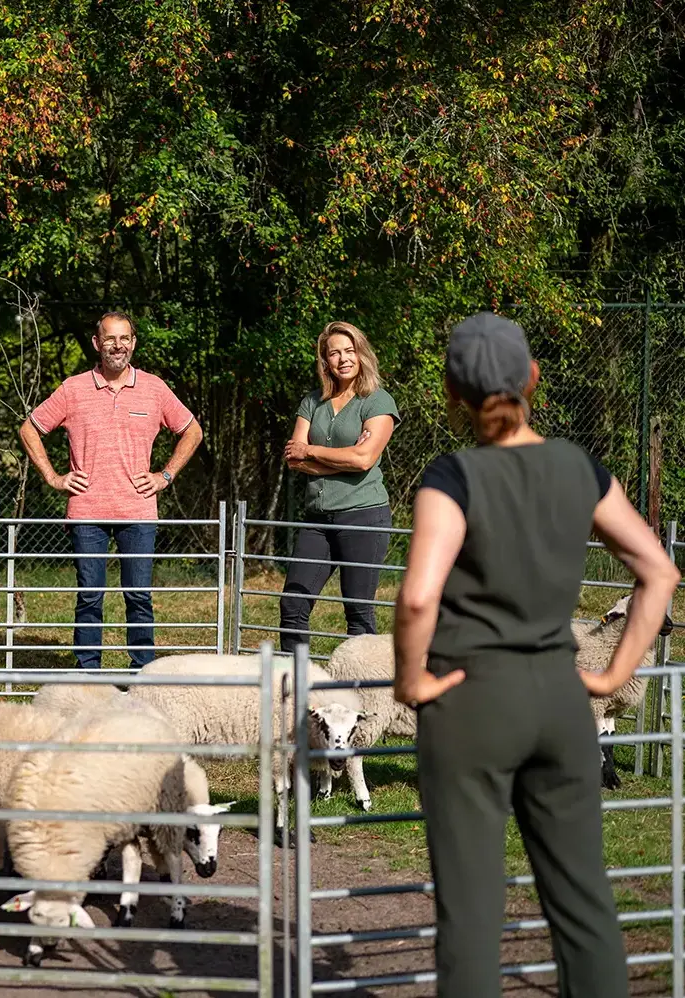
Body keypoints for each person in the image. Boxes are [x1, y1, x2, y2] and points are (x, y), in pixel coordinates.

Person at [392, 312, 679, 998]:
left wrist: (410, 681)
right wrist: (612, 675)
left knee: (470, 916)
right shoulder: (580, 467)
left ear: (449, 393)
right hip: (561, 701)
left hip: (471, 703)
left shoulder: (451, 476)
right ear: (533, 380)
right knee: (585, 907)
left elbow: (416, 600)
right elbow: (659, 572)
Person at [19, 311, 202, 670]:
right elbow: (30, 429)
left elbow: (192, 431)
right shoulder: (73, 389)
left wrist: (164, 476)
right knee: (90, 595)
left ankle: (142, 672)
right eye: (109, 339)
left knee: (139, 596)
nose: (117, 346)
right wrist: (54, 477)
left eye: (124, 339)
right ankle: (89, 674)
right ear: (96, 344)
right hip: (87, 511)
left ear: (133, 343)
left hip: (138, 511)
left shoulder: (154, 388)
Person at [279, 321, 400, 654]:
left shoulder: (377, 401)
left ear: (361, 354)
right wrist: (339, 458)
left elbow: (363, 459)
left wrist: (312, 452)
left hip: (363, 517)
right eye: (335, 353)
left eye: (350, 351)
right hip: (317, 519)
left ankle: (364, 695)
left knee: (358, 613)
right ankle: (296, 689)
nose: (343, 359)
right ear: (325, 360)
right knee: (293, 605)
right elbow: (293, 457)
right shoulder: (312, 402)